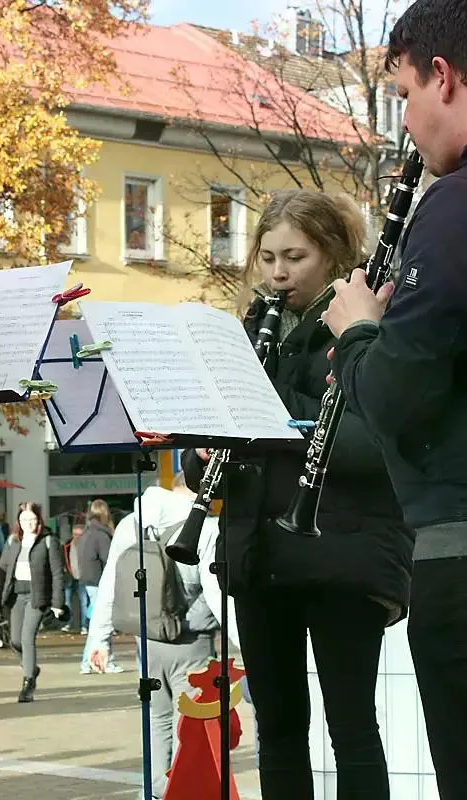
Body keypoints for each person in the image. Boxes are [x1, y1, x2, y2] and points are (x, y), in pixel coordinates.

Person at [184, 189, 414, 800]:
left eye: (295, 257)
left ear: (334, 255)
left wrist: (269, 405)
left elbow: (375, 445)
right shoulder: (248, 335)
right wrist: (201, 453)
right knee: (278, 730)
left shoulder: (365, 324)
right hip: (262, 558)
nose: (278, 273)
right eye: (266, 258)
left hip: (344, 553)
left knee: (352, 728)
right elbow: (225, 451)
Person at [321, 3, 467, 794]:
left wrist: (358, 330)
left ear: (441, 77)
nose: (407, 124)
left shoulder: (451, 211)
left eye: (405, 96)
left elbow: (401, 402)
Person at [87, 473, 219, 800]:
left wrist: (98, 641)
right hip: (191, 644)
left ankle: (154, 793)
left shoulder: (133, 521)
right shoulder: (206, 527)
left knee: (155, 724)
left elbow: (111, 585)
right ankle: (182, 792)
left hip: (146, 640)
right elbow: (218, 596)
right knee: (191, 727)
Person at [0, 502, 64, 702]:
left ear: (39, 520)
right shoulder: (13, 541)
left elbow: (57, 573)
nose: (29, 523)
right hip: (16, 596)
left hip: (37, 597)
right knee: (15, 640)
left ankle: (28, 684)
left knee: (27, 638)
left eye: (33, 519)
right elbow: (3, 569)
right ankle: (31, 667)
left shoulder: (48, 541)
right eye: (25, 519)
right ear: (18, 521)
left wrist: (57, 603)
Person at [76, 498, 116, 673]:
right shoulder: (102, 535)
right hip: (100, 582)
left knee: (97, 623)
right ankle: (93, 661)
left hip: (88, 581)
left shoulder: (86, 533)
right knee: (100, 624)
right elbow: (110, 560)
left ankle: (89, 662)